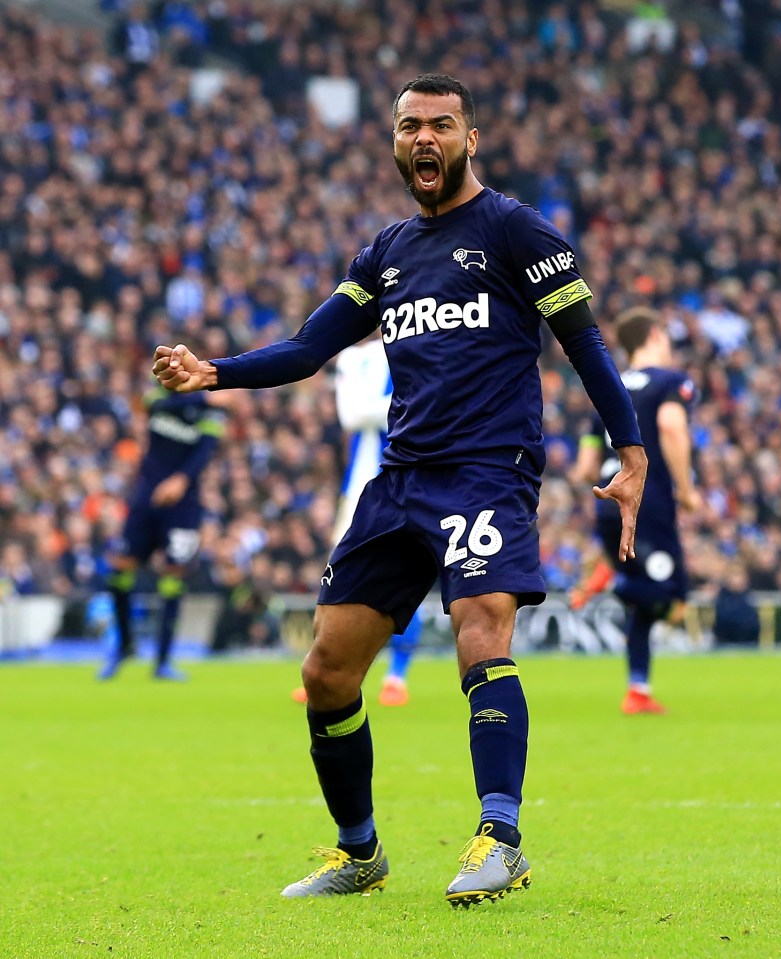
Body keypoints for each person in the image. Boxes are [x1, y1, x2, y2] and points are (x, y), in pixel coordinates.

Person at [152, 74, 647, 906]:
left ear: (468, 139)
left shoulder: (514, 230)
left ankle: (500, 839)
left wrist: (628, 449)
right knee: (326, 670)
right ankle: (360, 854)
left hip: (489, 471)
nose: (424, 138)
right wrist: (214, 372)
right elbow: (310, 348)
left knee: (482, 632)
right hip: (401, 478)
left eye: (441, 126)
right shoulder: (384, 253)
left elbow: (585, 342)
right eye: (410, 125)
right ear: (393, 139)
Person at [571, 307, 700, 714]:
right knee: (672, 593)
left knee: (643, 605)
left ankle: (637, 690)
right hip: (648, 502)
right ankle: (611, 583)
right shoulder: (671, 382)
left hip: (609, 503)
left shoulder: (609, 387)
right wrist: (686, 489)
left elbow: (585, 466)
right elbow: (672, 428)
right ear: (656, 336)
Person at [291, 336, 422, 708]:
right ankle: (326, 667)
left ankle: (396, 677)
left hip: (411, 477)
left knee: (407, 576)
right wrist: (411, 402)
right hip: (362, 482)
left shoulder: (420, 341)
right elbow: (351, 416)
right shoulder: (352, 356)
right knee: (342, 577)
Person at [98, 387, 227, 680]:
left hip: (183, 505)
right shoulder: (162, 396)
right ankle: (125, 645)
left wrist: (180, 481)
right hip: (145, 498)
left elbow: (205, 451)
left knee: (173, 577)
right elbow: (148, 401)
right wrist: (204, 397)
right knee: (119, 569)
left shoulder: (209, 414)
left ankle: (163, 660)